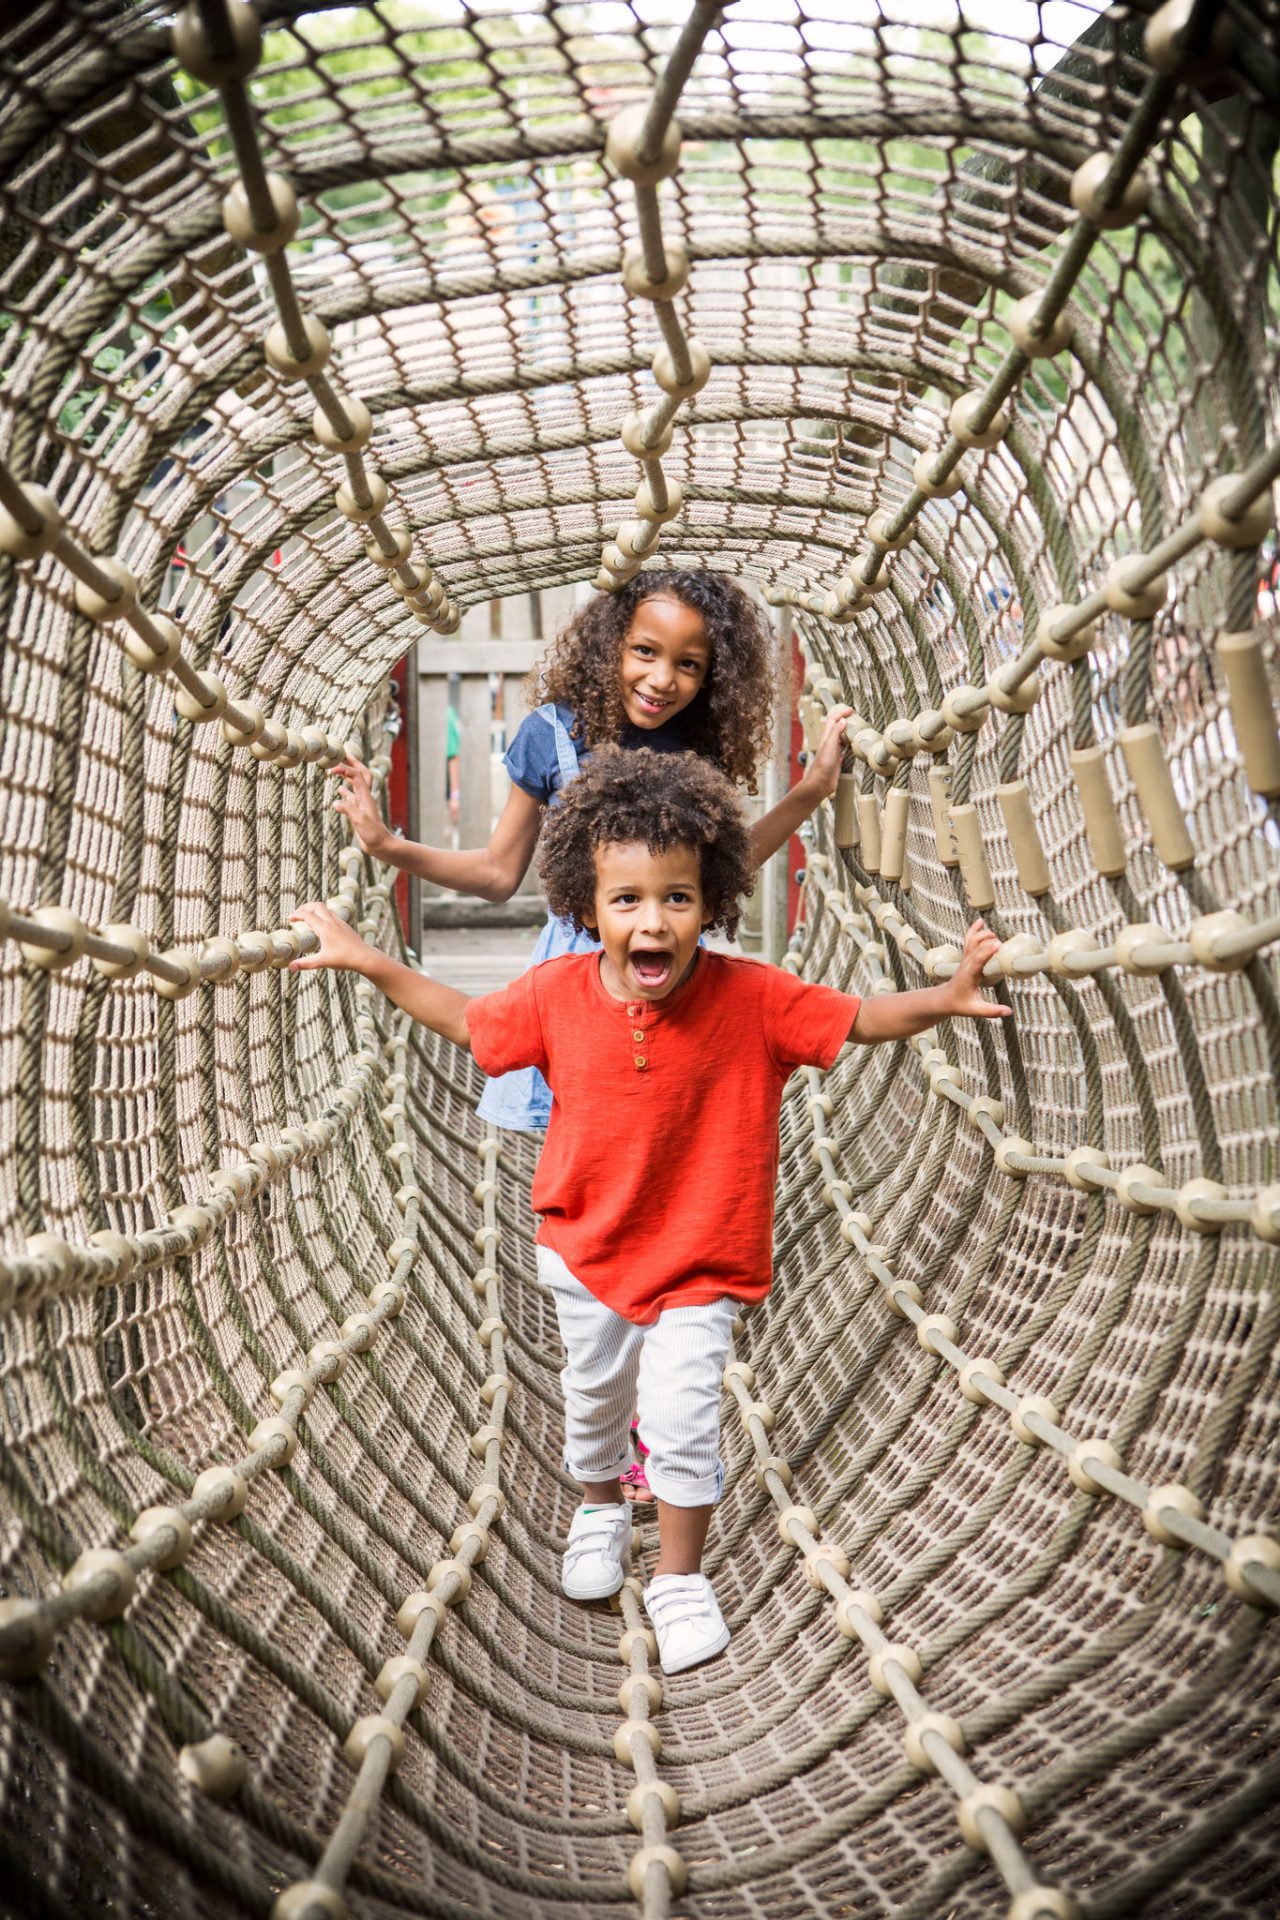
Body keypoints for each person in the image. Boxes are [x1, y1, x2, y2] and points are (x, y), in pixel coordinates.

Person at [291, 749, 1011, 1676]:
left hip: (702, 1257)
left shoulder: (753, 997)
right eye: (626, 900)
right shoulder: (554, 994)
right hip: (585, 1249)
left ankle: (679, 1575)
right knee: (593, 1402)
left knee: (678, 1417)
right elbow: (471, 1026)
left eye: (677, 898)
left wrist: (946, 998)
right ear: (586, 911)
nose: (652, 920)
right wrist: (368, 959)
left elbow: (858, 1017)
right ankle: (597, 1505)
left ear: (711, 902)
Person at [328, 570, 854, 1137]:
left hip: (673, 964)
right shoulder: (552, 735)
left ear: (711, 676)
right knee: (586, 1133)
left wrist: (811, 791)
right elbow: (498, 873)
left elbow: (724, 869)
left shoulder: (701, 744)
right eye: (645, 651)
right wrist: (387, 846)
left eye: (688, 665)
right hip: (579, 975)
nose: (661, 679)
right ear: (612, 645)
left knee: (674, 1126)